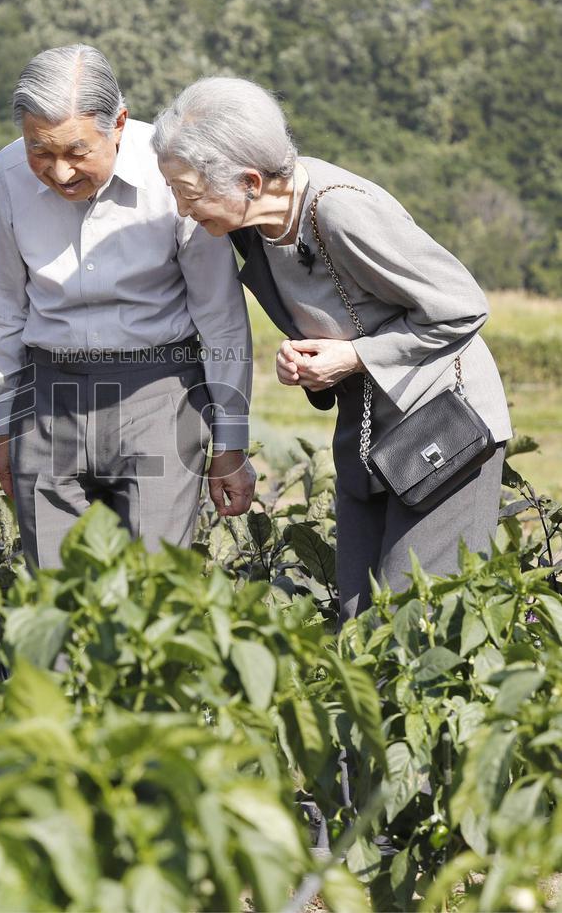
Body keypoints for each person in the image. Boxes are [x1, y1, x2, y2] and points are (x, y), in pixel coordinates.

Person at [152, 77, 511, 621]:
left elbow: (462, 305)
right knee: (360, 613)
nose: (180, 208)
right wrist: (306, 359)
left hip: (444, 430)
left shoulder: (341, 210)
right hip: (369, 429)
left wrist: (356, 357)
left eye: (188, 192)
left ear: (250, 180)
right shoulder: (253, 226)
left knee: (419, 618)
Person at [0, 46, 255, 568]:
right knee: (55, 601)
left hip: (161, 397)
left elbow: (219, 312)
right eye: (40, 151)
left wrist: (230, 440)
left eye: (77, 151)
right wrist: (7, 427)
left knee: (155, 595)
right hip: (48, 402)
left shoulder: (174, 170)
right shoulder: (8, 173)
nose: (59, 171)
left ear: (118, 123)